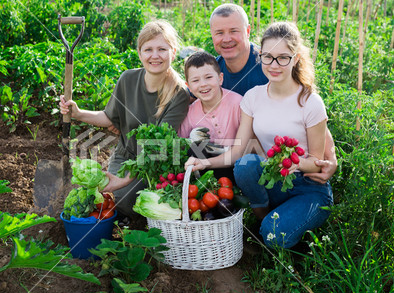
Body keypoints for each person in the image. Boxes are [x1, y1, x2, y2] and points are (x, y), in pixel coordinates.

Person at [186, 22, 333, 249]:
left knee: (274, 236)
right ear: (260, 56)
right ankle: (262, 217)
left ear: (295, 58)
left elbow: (316, 162)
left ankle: (282, 229)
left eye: (282, 57)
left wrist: (296, 163)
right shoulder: (253, 98)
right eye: (268, 57)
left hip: (308, 187)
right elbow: (237, 152)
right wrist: (203, 162)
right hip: (274, 182)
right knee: (246, 164)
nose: (274, 65)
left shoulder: (309, 102)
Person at [60, 20, 190, 224]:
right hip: (125, 157)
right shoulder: (127, 79)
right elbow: (109, 116)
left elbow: (160, 145)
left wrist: (125, 180)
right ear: (139, 53)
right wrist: (78, 113)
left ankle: (139, 220)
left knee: (128, 202)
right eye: (148, 49)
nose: (155, 56)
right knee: (106, 199)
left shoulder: (179, 93)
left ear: (173, 53)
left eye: (162, 49)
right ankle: (131, 216)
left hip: (156, 163)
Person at [209, 3, 337, 183]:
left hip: (272, 159)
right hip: (241, 155)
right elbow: (192, 97)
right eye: (219, 32)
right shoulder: (212, 72)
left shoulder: (270, 64)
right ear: (212, 35)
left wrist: (331, 158)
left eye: (233, 31)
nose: (227, 38)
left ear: (247, 31)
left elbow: (311, 114)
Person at [178, 51, 242, 181]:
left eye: (208, 77)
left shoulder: (238, 104)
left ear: (220, 78)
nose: (203, 84)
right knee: (193, 148)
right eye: (195, 80)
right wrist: (191, 141)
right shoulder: (190, 113)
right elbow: (179, 144)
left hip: (238, 167)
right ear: (188, 86)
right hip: (206, 172)